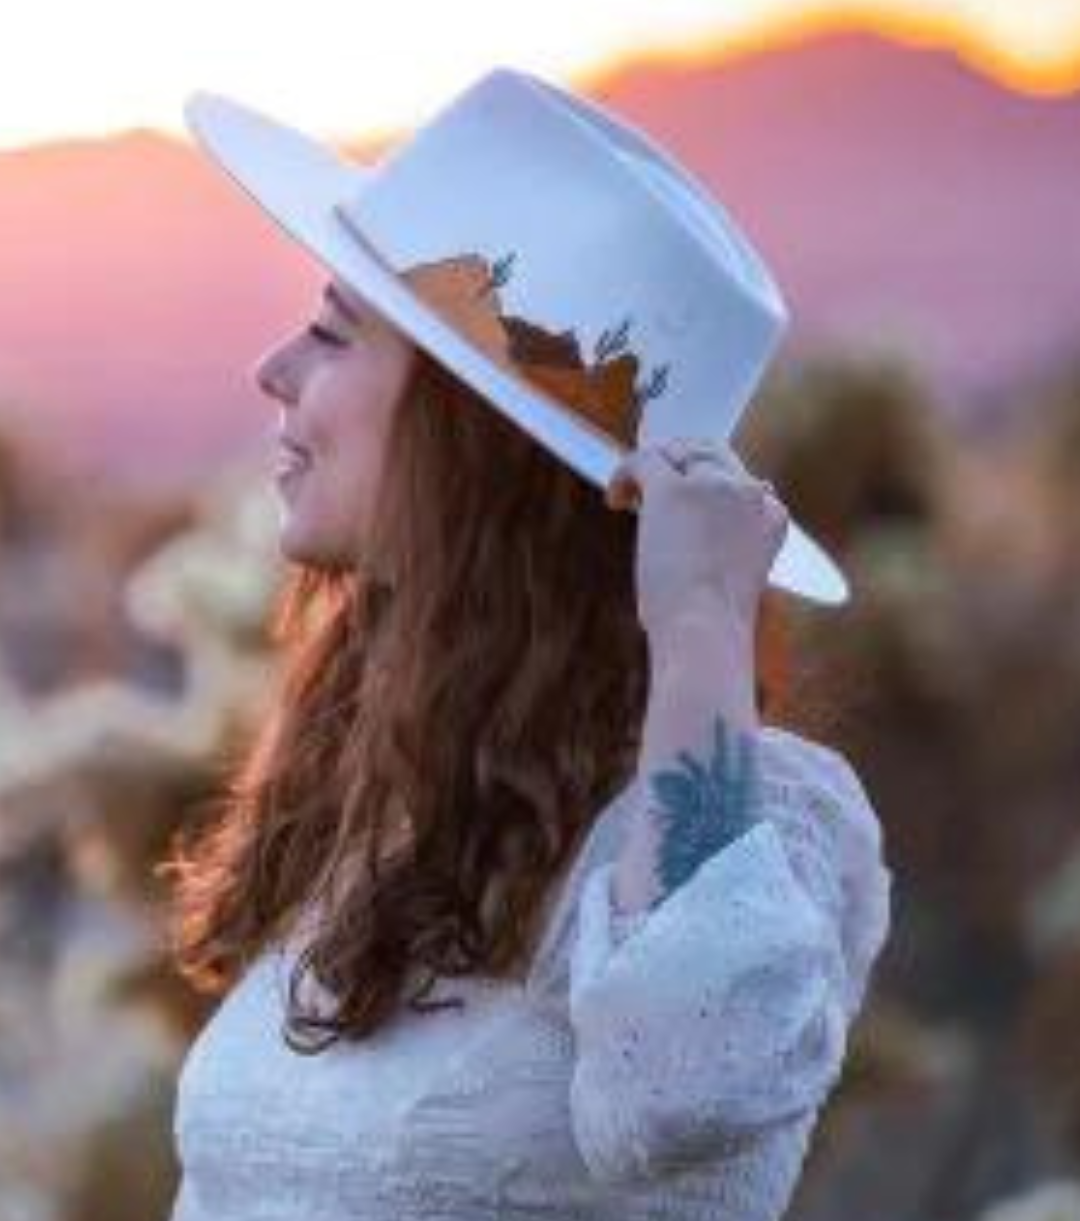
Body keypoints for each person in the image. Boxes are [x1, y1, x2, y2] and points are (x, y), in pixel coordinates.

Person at [162, 66, 892, 1220]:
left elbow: (685, 1085)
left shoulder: (742, 836)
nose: (276, 369)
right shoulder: (384, 803)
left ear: (472, 437)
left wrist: (699, 624)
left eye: (333, 332)